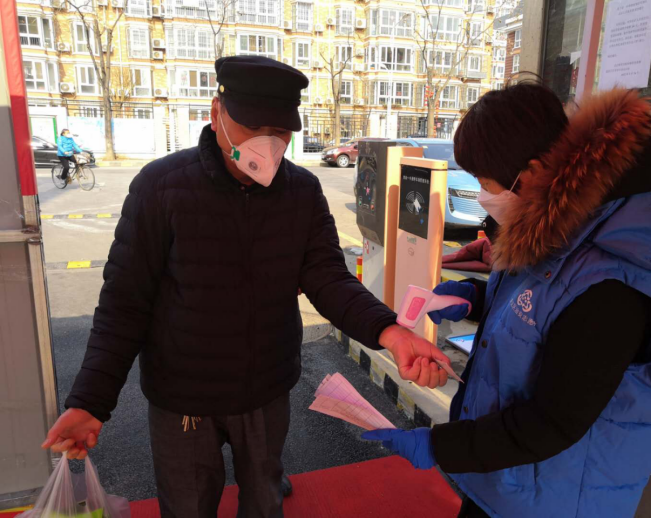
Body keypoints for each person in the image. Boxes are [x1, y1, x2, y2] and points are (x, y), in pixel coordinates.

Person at [41, 56, 451, 519]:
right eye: (252, 126)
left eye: (280, 131)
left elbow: (329, 279)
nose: (268, 142)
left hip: (266, 388)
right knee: (188, 507)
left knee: (264, 499)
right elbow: (123, 303)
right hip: (184, 397)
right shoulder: (162, 187)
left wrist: (390, 332)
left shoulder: (302, 192)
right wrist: (90, 402)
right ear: (216, 113)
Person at [363, 85, 651, 518]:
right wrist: (475, 298)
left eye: (485, 183)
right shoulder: (559, 230)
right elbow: (543, 304)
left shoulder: (615, 283)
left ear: (532, 173)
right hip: (510, 483)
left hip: (559, 499)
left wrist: (438, 446)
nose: (483, 195)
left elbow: (553, 422)